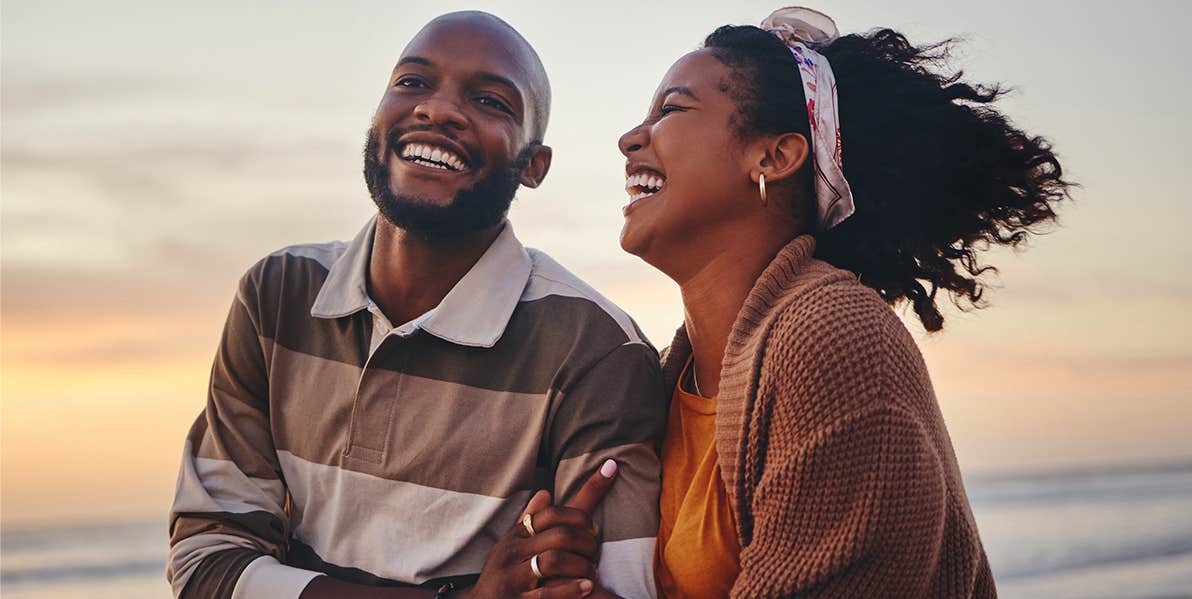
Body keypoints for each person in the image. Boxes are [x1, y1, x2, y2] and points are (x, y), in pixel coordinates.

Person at [537, 6, 1070, 598]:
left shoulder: (831, 337)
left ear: (774, 158)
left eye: (671, 110)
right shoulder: (670, 377)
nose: (631, 138)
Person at [166, 11, 665, 599]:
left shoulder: (595, 348)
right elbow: (206, 566)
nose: (439, 109)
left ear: (534, 165)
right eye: (412, 82)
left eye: (489, 100)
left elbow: (616, 592)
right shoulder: (276, 297)